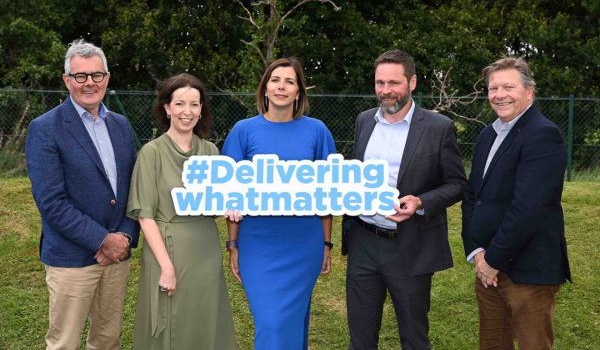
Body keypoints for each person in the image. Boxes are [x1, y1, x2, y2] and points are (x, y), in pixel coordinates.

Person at [343, 49, 467, 349]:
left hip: (410, 246)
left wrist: (421, 202)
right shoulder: (364, 121)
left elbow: (457, 184)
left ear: (412, 82)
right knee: (360, 338)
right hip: (363, 242)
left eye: (394, 83)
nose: (386, 91)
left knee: (413, 337)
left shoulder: (438, 128)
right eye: (380, 83)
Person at [25, 39, 139, 350]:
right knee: (64, 343)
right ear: (67, 81)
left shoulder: (120, 124)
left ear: (107, 78)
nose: (89, 83)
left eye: (96, 75)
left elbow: (133, 189)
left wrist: (125, 237)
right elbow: (51, 202)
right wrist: (103, 240)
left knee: (107, 340)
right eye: (80, 76)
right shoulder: (45, 128)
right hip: (71, 258)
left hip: (117, 256)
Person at [221, 57, 335, 350]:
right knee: (271, 325)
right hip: (258, 243)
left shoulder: (317, 131)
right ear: (265, 88)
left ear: (299, 92)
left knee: (293, 321)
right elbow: (231, 194)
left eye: (289, 81)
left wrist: (326, 244)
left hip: (303, 243)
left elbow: (328, 193)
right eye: (275, 80)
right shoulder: (243, 131)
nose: (281, 87)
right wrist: (233, 245)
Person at [461, 57, 571, 349]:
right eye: (493, 88)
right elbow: (474, 196)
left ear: (529, 92)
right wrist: (477, 252)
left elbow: (528, 208)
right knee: (493, 344)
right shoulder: (488, 134)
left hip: (528, 271)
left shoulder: (543, 135)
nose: (499, 94)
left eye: (508, 86)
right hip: (488, 269)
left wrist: (493, 260)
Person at [126, 73, 237, 349]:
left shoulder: (211, 151)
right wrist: (166, 266)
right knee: (170, 325)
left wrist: (231, 206)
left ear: (201, 110)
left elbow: (217, 200)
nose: (187, 112)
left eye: (194, 105)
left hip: (205, 253)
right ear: (167, 108)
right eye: (179, 104)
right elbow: (145, 215)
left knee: (204, 320)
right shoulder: (151, 153)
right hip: (168, 251)